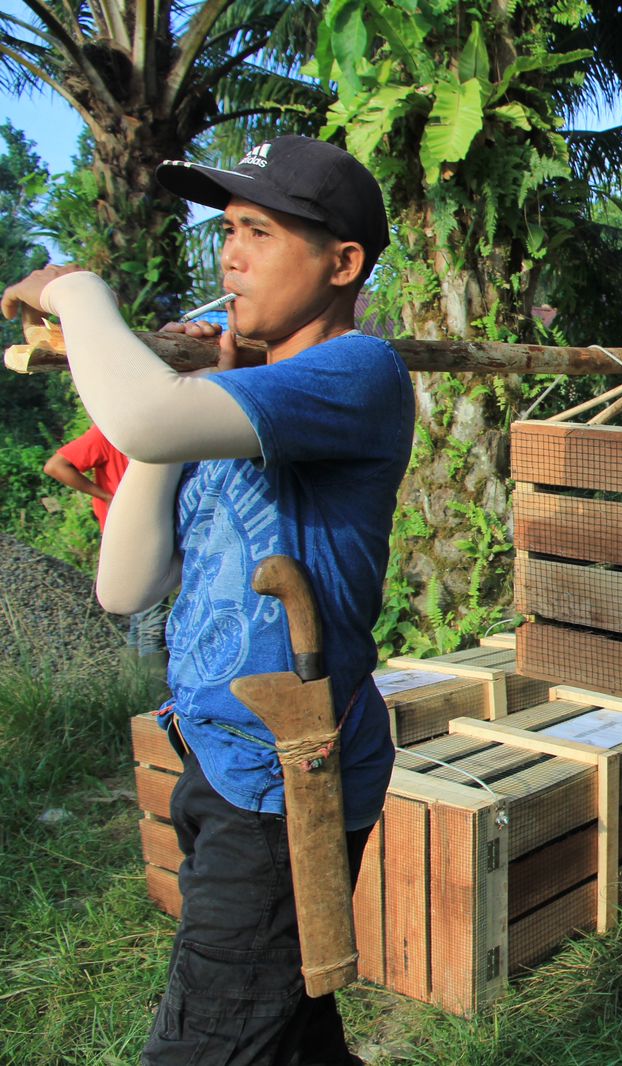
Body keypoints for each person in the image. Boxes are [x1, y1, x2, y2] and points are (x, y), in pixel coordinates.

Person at [2, 134, 413, 1064]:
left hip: (283, 784)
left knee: (208, 1043)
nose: (229, 254)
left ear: (342, 263)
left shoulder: (357, 374)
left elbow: (139, 410)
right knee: (290, 1032)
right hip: (217, 763)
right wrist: (187, 399)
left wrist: (76, 291)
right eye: (226, 228)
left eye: (259, 231)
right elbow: (126, 584)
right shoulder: (231, 400)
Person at [44, 424, 169, 663]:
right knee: (152, 621)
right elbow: (55, 466)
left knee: (139, 617)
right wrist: (107, 497)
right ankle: (157, 694)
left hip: (134, 530)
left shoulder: (140, 430)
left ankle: (135, 693)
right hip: (138, 532)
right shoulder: (110, 432)